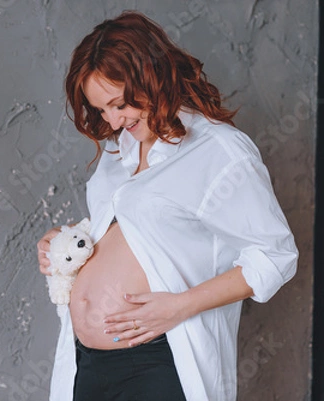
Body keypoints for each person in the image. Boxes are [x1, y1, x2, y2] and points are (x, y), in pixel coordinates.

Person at [36, 10, 298, 401]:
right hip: (85, 363)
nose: (112, 119)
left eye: (120, 103)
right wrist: (66, 239)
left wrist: (179, 306)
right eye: (101, 109)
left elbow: (276, 256)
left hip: (159, 363)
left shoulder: (218, 150)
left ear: (151, 75)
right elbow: (138, 234)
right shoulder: (117, 152)